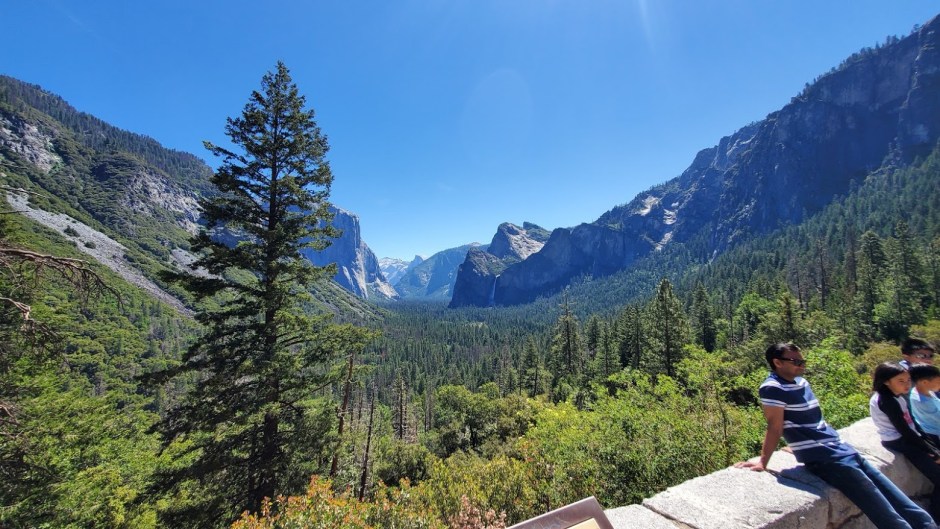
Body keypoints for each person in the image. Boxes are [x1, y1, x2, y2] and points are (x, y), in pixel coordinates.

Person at [736, 343, 937, 529]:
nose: (801, 365)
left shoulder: (801, 382)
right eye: (795, 361)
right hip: (827, 458)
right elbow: (775, 426)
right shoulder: (772, 388)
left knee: (905, 505)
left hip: (842, 448)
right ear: (777, 363)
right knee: (887, 515)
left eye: (802, 361)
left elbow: (812, 418)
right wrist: (763, 461)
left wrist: (796, 443)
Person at [870, 362, 940, 521]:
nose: (907, 384)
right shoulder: (886, 400)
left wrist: (931, 445)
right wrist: (932, 452)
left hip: (907, 438)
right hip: (898, 441)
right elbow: (905, 431)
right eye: (901, 381)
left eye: (908, 380)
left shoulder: (897, 396)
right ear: (887, 381)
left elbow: (913, 424)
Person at [908, 364, 940, 445]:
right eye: (938, 382)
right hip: (935, 434)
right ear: (925, 382)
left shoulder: (923, 391)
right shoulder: (922, 401)